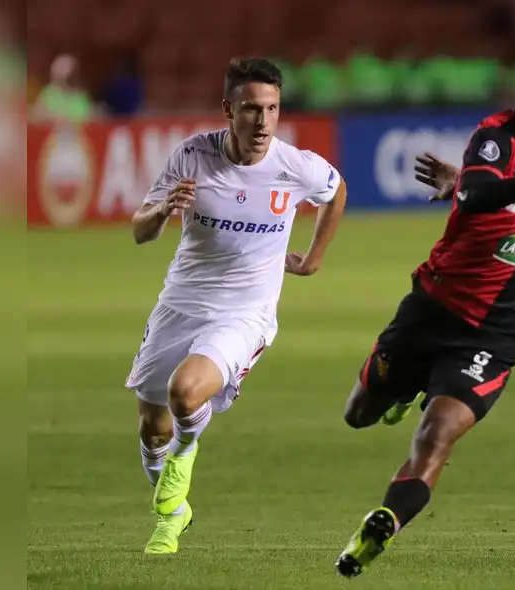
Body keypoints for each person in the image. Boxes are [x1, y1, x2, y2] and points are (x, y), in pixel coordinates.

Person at [334, 43, 515, 577]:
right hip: (434, 307)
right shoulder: (496, 136)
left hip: (498, 331)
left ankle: (383, 523)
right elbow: (482, 195)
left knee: (437, 436)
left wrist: (465, 186)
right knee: (358, 414)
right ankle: (401, 391)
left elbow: (489, 199)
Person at [126, 58, 346, 554]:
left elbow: (336, 193)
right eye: (251, 109)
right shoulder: (192, 156)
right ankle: (173, 511)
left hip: (245, 314)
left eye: (271, 108)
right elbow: (141, 231)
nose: (263, 122)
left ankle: (185, 456)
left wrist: (311, 261)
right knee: (151, 426)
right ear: (228, 110)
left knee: (187, 393)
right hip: (180, 304)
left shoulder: (295, 166)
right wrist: (163, 209)